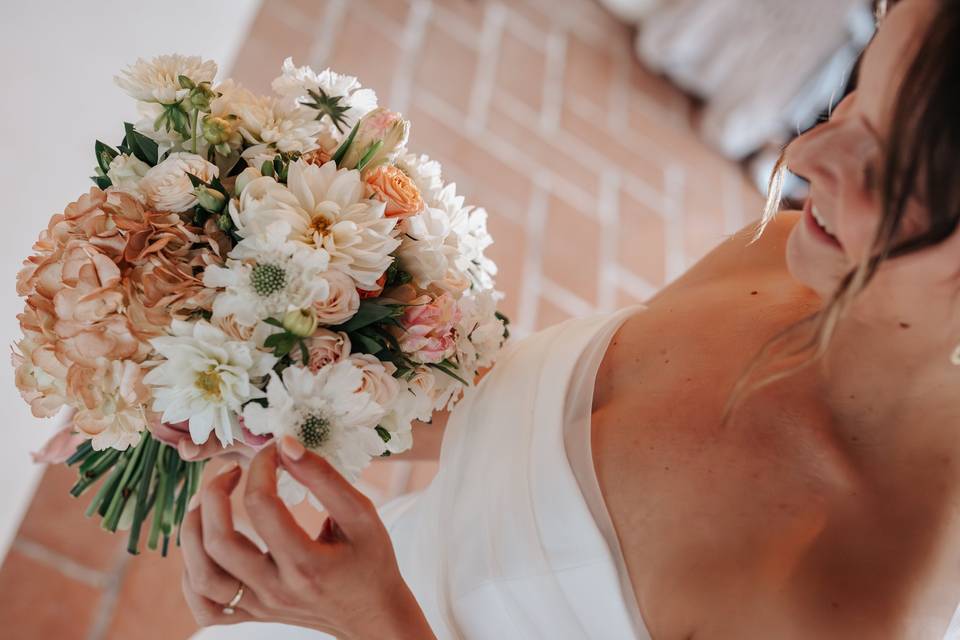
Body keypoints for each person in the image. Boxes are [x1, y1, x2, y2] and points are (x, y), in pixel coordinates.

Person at [178, 0, 960, 637]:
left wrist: (367, 618)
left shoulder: (856, 604)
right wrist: (269, 401)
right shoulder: (780, 252)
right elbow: (519, 440)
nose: (807, 150)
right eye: (858, 91)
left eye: (891, 169)